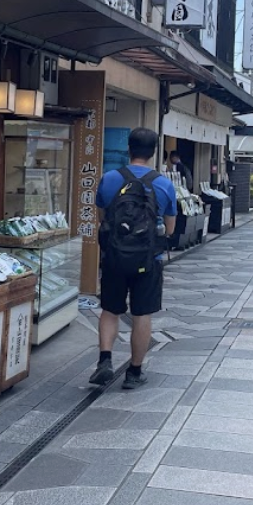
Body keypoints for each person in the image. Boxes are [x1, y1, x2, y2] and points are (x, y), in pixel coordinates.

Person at [92, 128, 177, 390]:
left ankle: (105, 359)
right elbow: (171, 229)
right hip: (148, 260)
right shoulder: (163, 184)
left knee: (110, 309)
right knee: (142, 314)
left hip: (115, 257)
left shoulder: (109, 179)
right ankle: (134, 372)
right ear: (153, 153)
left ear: (128, 149)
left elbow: (101, 218)